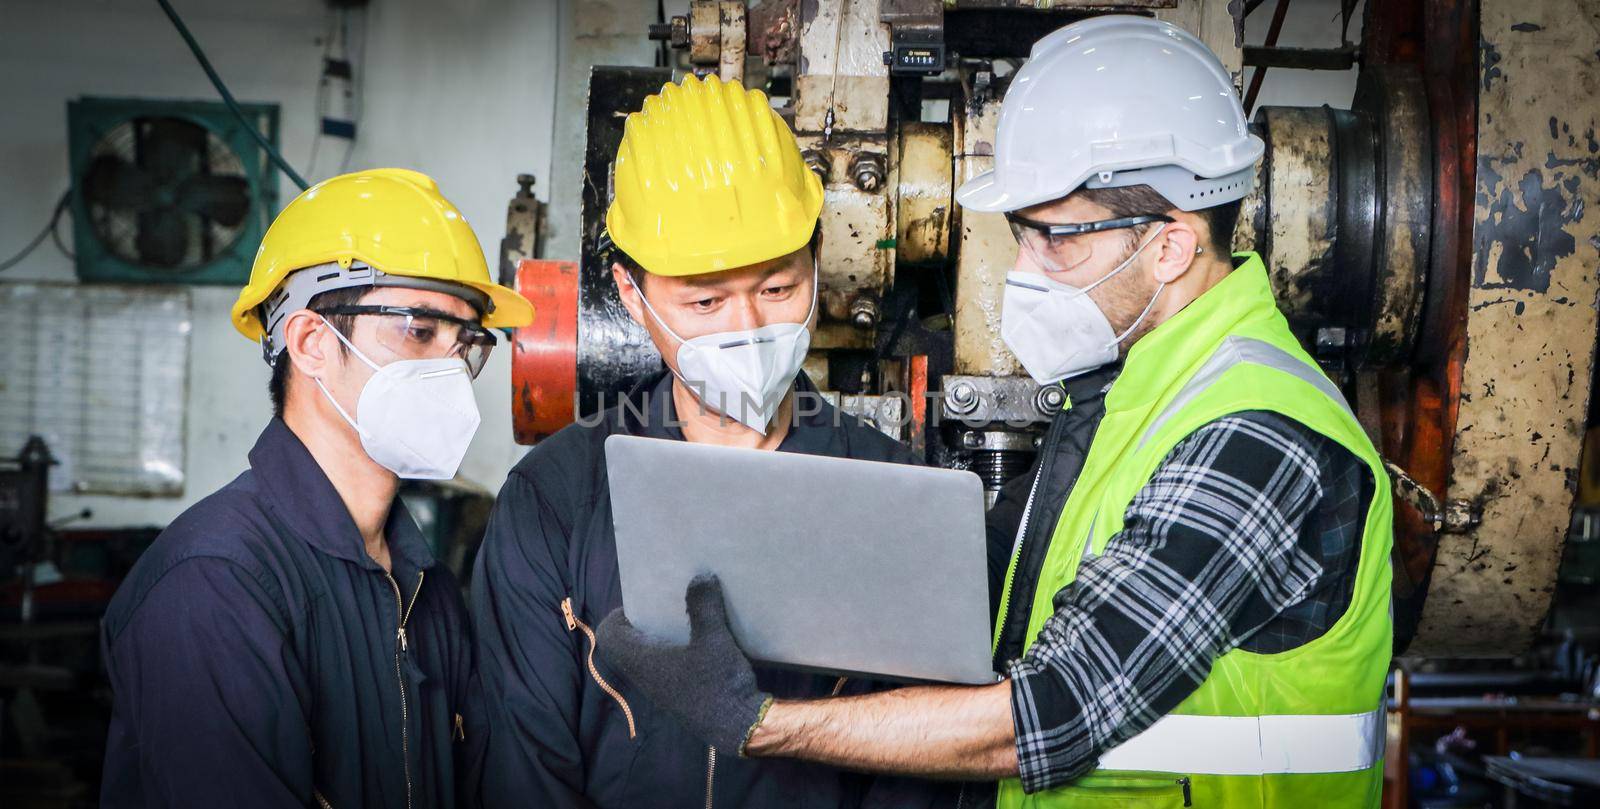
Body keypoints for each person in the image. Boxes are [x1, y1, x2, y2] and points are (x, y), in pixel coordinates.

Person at [595, 16, 1395, 809]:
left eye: (1057, 239)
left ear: (1171, 246)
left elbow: (1052, 711)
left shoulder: (1255, 434)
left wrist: (757, 722)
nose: (1026, 267)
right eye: (1022, 234)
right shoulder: (1136, 396)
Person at [471, 73, 954, 808]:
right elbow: (521, 771)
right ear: (632, 297)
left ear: (818, 261)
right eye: (703, 300)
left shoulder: (897, 495)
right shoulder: (557, 500)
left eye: (777, 288)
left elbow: (917, 774)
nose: (745, 327)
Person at [100, 168, 533, 808]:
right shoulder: (216, 581)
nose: (450, 369)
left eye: (465, 340)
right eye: (419, 330)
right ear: (310, 343)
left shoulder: (426, 585)